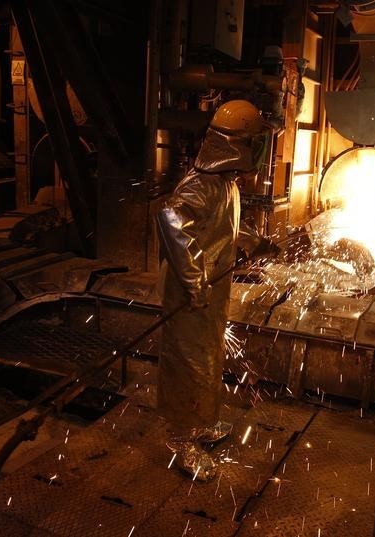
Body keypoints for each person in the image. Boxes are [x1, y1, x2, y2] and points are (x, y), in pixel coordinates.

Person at [155, 99, 272, 481]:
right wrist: (192, 280)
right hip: (192, 290)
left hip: (210, 288)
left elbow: (224, 227)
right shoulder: (199, 184)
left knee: (207, 358)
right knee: (187, 363)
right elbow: (171, 218)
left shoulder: (224, 183)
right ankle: (180, 440)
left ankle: (200, 423)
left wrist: (255, 242)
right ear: (237, 145)